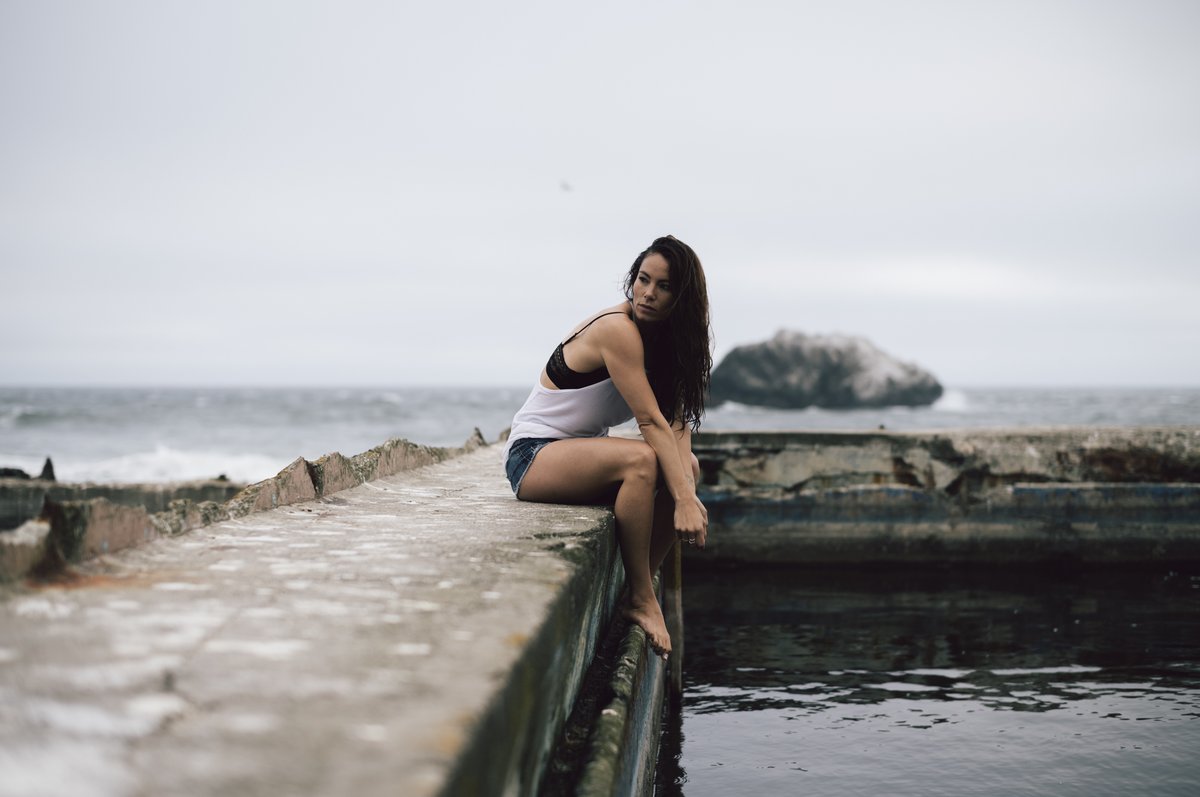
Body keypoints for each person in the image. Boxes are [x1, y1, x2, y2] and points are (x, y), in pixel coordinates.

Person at [501, 235, 712, 658]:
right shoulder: (618, 329)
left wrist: (687, 490)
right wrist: (684, 501)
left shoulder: (668, 344)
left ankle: (636, 590)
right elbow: (649, 422)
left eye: (664, 286)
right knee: (641, 462)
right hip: (532, 456)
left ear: (682, 298)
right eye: (643, 279)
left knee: (687, 466)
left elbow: (675, 425)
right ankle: (643, 598)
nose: (647, 293)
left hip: (579, 454)